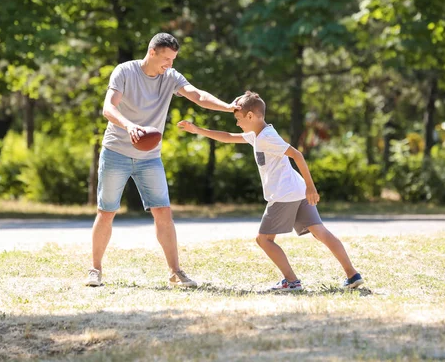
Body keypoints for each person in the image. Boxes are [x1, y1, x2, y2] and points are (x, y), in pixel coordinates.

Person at [86, 33, 239, 287]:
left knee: (163, 213)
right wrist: (129, 125)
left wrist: (227, 107)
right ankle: (95, 270)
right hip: (116, 151)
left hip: (149, 158)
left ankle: (175, 272)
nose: (169, 64)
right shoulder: (125, 72)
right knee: (106, 212)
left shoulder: (171, 77)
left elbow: (197, 96)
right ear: (152, 51)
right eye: (166, 58)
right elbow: (108, 108)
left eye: (173, 59)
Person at [177, 91, 364, 291]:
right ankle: (352, 275)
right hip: (296, 190)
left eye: (238, 119)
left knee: (264, 240)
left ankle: (292, 282)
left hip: (284, 194)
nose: (237, 123)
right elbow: (228, 137)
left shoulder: (266, 137)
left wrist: (312, 187)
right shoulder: (258, 134)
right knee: (320, 232)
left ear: (250, 116)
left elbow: (297, 155)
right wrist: (198, 130)